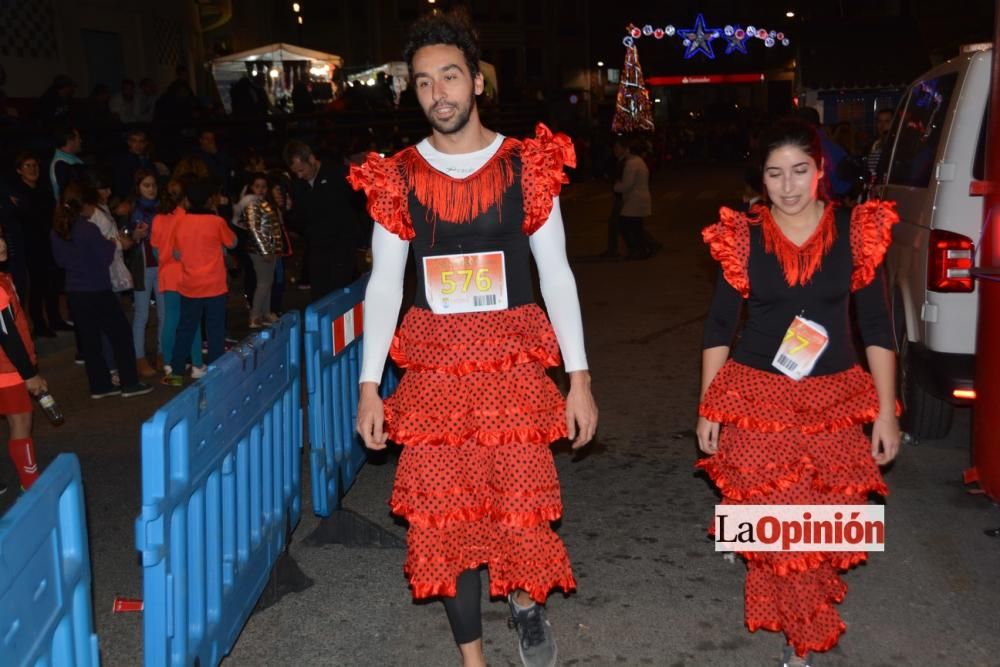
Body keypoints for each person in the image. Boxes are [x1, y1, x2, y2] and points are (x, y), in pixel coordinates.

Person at [348, 11, 598, 667]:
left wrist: (580, 378)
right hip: (432, 378)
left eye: (449, 77)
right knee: (445, 523)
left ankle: (522, 602)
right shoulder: (398, 176)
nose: (439, 94)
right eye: (424, 82)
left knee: (515, 511)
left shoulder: (527, 166)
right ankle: (473, 659)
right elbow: (383, 285)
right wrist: (371, 384)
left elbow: (556, 273)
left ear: (478, 82)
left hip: (513, 371)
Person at [695, 119, 902, 666]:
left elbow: (877, 328)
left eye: (800, 171)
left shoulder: (857, 230)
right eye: (774, 173)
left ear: (820, 171)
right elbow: (719, 327)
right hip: (755, 398)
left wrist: (885, 413)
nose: (787, 186)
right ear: (760, 179)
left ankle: (801, 619)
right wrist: (708, 406)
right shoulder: (742, 236)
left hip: (834, 400)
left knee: (824, 527)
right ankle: (801, 642)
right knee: (779, 535)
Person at [50, 183, 152, 399]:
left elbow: (61, 261)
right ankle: (130, 383)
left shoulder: (58, 230)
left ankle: (100, 385)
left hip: (75, 291)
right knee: (121, 335)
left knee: (90, 340)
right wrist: (116, 244)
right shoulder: (87, 228)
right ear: (84, 204)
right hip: (97, 288)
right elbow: (105, 256)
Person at [162, 177, 236, 387]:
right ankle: (216, 374)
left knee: (185, 329)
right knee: (215, 331)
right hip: (214, 286)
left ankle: (176, 373)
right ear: (210, 200)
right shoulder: (216, 222)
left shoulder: (181, 222)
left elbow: (176, 254)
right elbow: (232, 243)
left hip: (190, 286)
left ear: (188, 200)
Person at [0, 228, 49, 494]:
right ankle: (30, 482)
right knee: (20, 422)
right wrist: (29, 374)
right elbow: (7, 336)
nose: (1, 244)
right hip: (7, 369)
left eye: (1, 236)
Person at [284, 139, 359, 302]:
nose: (299, 175)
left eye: (301, 170)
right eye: (296, 172)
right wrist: (289, 211)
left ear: (311, 159)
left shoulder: (339, 174)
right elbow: (299, 221)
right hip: (317, 249)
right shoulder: (298, 185)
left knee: (341, 294)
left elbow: (359, 204)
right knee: (320, 296)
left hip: (342, 246)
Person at [10, 152, 71, 336]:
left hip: (50, 241)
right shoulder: (17, 193)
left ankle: (55, 319)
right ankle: (39, 325)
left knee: (53, 282)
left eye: (35, 165)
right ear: (19, 170)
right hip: (31, 246)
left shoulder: (43, 189)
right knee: (38, 285)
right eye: (27, 166)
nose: (32, 169)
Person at [150, 179, 205, 379]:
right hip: (186, 274)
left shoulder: (157, 219)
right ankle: (197, 364)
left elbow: (156, 251)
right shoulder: (188, 217)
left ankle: (168, 364)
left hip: (167, 274)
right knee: (192, 319)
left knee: (170, 319)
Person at [233, 172, 287, 328]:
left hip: (266, 248)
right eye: (257, 186)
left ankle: (264, 314)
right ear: (251, 187)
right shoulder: (252, 204)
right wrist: (265, 250)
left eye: (264, 186)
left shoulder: (262, 202)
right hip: (259, 250)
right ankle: (255, 316)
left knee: (267, 282)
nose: (261, 189)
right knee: (264, 283)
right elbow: (255, 230)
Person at [125, 170, 163, 376]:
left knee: (164, 313)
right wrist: (135, 236)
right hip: (142, 267)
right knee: (142, 314)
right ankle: (139, 358)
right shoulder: (132, 210)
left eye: (153, 185)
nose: (151, 189)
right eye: (146, 185)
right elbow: (124, 240)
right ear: (138, 188)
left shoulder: (161, 209)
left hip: (162, 266)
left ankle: (162, 353)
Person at [612, 135, 653, 260]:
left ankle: (638, 250)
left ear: (627, 149)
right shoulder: (638, 161)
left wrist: (616, 186)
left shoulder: (631, 163)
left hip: (634, 200)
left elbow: (627, 185)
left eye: (617, 147)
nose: (615, 150)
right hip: (638, 199)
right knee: (636, 227)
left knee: (625, 226)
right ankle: (644, 250)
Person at [49, 126, 86, 201]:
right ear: (70, 141)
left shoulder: (70, 158)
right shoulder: (60, 164)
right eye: (78, 138)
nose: (80, 141)